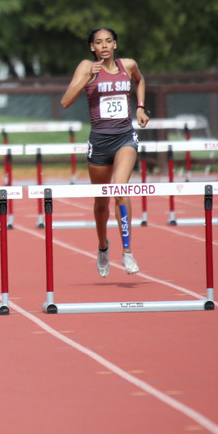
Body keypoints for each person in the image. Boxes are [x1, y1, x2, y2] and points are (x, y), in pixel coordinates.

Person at [61, 27, 150, 277]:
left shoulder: (128, 65)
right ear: (92, 47)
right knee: (101, 203)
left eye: (109, 41)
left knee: (120, 190)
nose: (104, 46)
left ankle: (128, 251)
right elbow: (66, 101)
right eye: (99, 42)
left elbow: (140, 80)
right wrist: (86, 76)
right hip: (99, 141)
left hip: (125, 137)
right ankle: (102, 247)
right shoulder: (85, 66)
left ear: (115, 44)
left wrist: (141, 107)